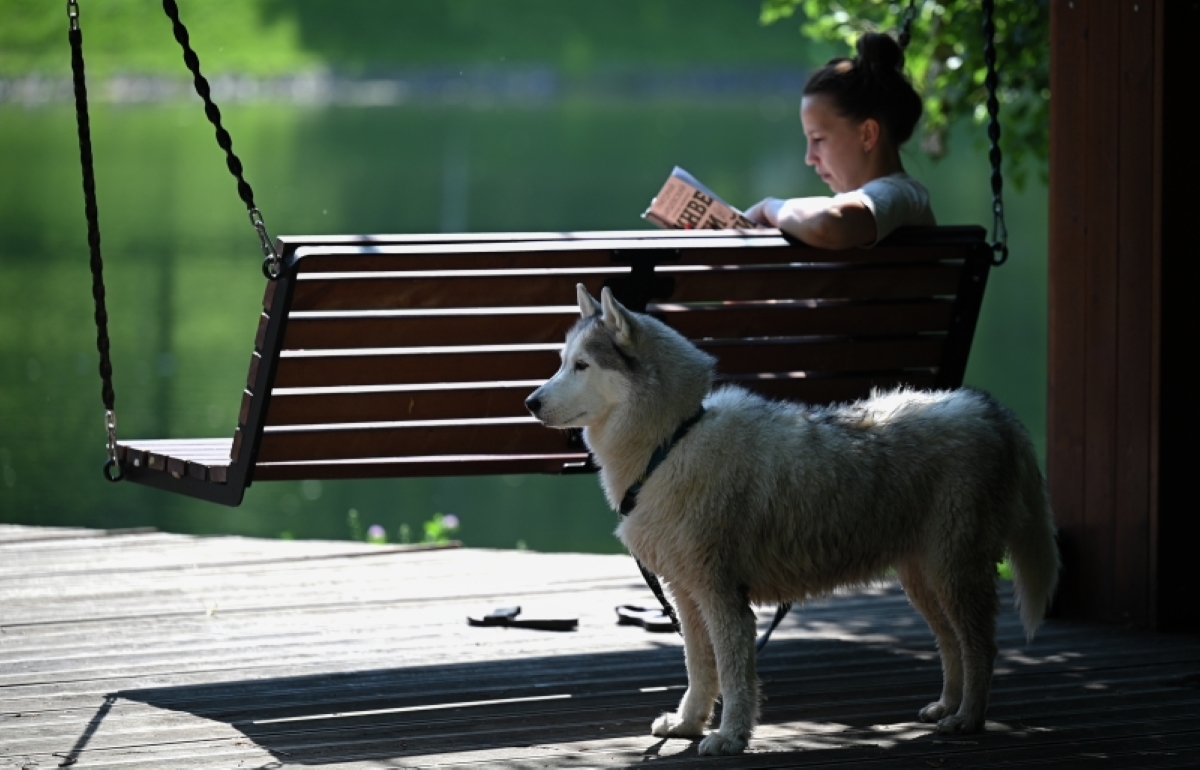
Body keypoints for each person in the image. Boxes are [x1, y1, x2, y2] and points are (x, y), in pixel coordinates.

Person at [744, 32, 935, 248]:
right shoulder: (879, 204)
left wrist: (769, 208)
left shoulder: (898, 195)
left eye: (818, 139)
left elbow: (825, 226)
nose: (809, 158)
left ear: (868, 135)